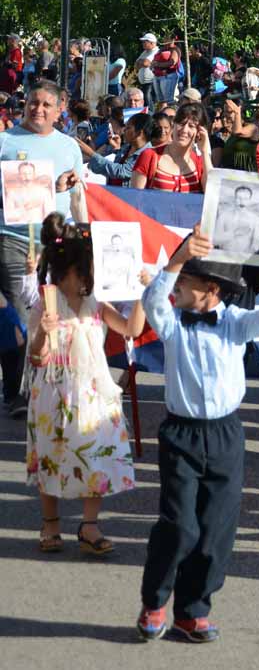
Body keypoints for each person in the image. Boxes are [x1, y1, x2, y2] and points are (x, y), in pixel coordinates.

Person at [136, 231, 259, 642]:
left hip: (225, 434)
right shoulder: (172, 323)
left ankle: (193, 611)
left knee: (216, 528)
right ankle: (155, 602)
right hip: (180, 433)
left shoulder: (235, 325)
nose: (177, 291)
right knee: (179, 525)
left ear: (209, 290)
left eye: (185, 284)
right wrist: (176, 261)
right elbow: (154, 301)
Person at [26, 215, 144, 556]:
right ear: (64, 274)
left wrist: (140, 296)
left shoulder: (96, 305)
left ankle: (89, 525)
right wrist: (42, 334)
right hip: (54, 390)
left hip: (93, 390)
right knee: (51, 455)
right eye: (82, 272)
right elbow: (38, 359)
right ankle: (50, 523)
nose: (86, 279)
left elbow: (130, 329)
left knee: (96, 452)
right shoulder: (45, 306)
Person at [0, 82, 85, 418]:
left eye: (47, 105)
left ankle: (51, 387)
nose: (39, 109)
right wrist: (51, 185)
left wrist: (84, 232)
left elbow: (79, 195)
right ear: (25, 105)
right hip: (13, 239)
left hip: (56, 244)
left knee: (55, 317)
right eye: (33, 103)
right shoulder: (5, 141)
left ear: (60, 108)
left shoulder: (69, 147)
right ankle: (18, 392)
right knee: (19, 318)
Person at [131, 105, 213, 193]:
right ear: (173, 125)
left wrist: (205, 152)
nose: (184, 130)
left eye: (191, 126)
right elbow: (136, 199)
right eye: (181, 123)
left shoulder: (199, 162)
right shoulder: (149, 156)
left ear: (199, 132)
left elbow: (211, 192)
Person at [79, 112, 154, 187]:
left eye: (128, 128)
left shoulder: (147, 153)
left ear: (139, 133)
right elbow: (115, 166)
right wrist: (116, 149)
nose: (124, 130)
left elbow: (122, 171)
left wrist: (92, 154)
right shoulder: (127, 147)